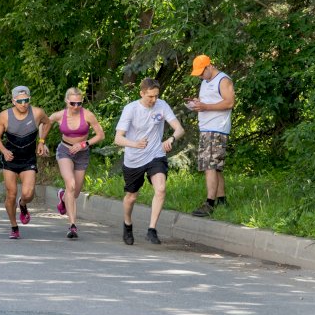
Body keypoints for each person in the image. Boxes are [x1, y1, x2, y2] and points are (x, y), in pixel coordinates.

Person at [114, 78, 185, 245]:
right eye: (150, 97)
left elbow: (179, 128)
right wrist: (135, 144)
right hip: (134, 158)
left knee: (160, 189)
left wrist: (171, 139)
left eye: (156, 96)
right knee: (131, 197)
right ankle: (127, 224)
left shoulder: (162, 105)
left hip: (155, 154)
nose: (154, 100)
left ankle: (152, 229)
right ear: (142, 93)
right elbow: (118, 138)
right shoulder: (131, 109)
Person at [0, 86, 50, 239]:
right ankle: (14, 226)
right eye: (20, 101)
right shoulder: (4, 116)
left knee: (28, 194)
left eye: (26, 100)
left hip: (28, 158)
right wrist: (4, 151)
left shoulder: (37, 112)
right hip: (10, 158)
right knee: (11, 194)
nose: (24, 104)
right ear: (13, 101)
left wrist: (41, 141)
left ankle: (23, 204)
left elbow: (48, 123)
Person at [48, 87, 105, 239]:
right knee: (71, 185)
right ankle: (72, 226)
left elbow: (100, 135)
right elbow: (45, 123)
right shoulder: (60, 115)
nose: (76, 106)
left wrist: (84, 144)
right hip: (64, 151)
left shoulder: (87, 115)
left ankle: (63, 196)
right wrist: (41, 141)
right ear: (67, 101)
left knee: (76, 192)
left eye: (79, 103)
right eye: (73, 103)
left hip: (82, 153)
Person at [188, 55, 235, 217]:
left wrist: (206, 106)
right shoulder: (205, 82)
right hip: (206, 128)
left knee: (209, 166)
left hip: (217, 129)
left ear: (209, 67)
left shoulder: (223, 80)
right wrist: (197, 103)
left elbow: (229, 102)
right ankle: (221, 200)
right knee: (215, 167)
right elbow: (206, 101)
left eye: (202, 72)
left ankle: (209, 203)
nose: (200, 76)